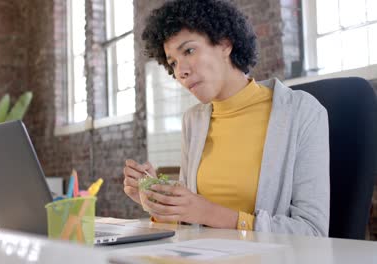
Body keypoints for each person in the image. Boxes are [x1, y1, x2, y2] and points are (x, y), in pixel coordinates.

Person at [123, 0, 329, 236]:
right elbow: (191, 223)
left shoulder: (302, 112)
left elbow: (312, 231)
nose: (181, 71)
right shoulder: (193, 121)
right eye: (173, 63)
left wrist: (208, 212)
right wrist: (158, 201)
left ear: (225, 44)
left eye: (189, 50)